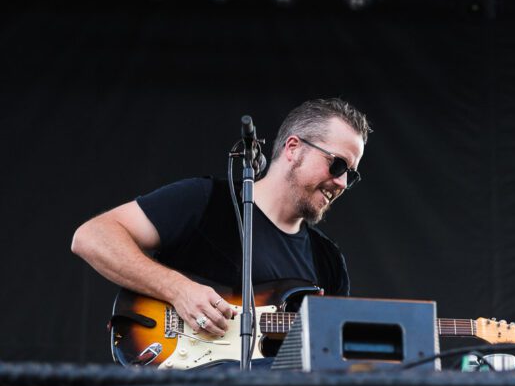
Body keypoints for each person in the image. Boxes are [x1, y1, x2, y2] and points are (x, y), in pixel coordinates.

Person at [71, 97, 370, 338]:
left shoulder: (328, 262)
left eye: (351, 175)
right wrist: (177, 290)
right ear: (293, 148)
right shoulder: (206, 200)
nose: (343, 183)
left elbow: (333, 357)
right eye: (337, 165)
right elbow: (92, 236)